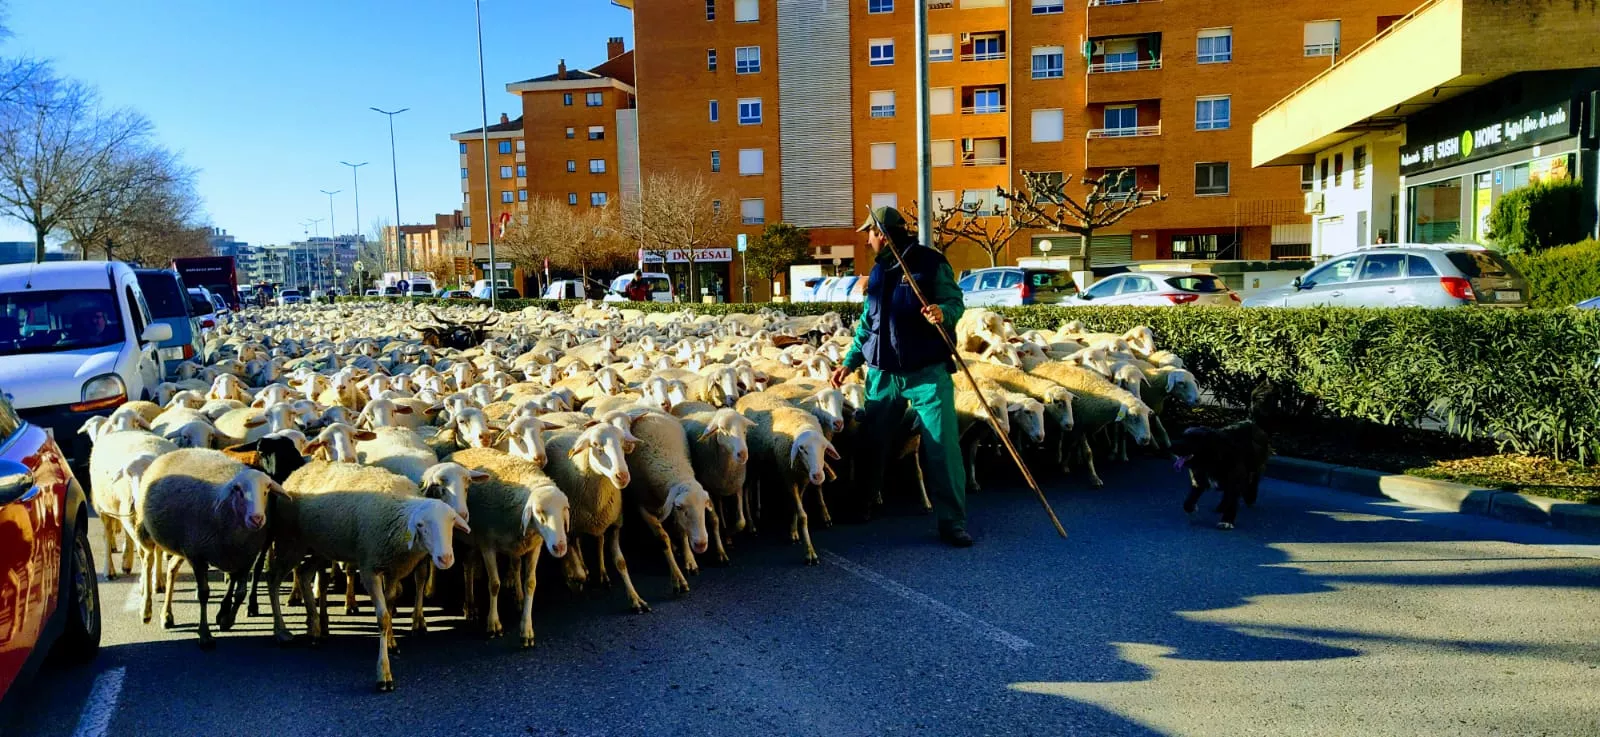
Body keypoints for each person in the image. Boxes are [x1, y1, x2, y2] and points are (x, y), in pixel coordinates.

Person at [829, 206, 972, 548]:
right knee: (871, 441)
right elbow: (869, 323)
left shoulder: (930, 263)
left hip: (927, 372)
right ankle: (864, 502)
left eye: (870, 233)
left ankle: (952, 521)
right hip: (883, 372)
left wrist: (942, 312)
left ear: (883, 233)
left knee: (942, 446)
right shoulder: (878, 272)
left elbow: (956, 302)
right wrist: (850, 361)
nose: (867, 239)